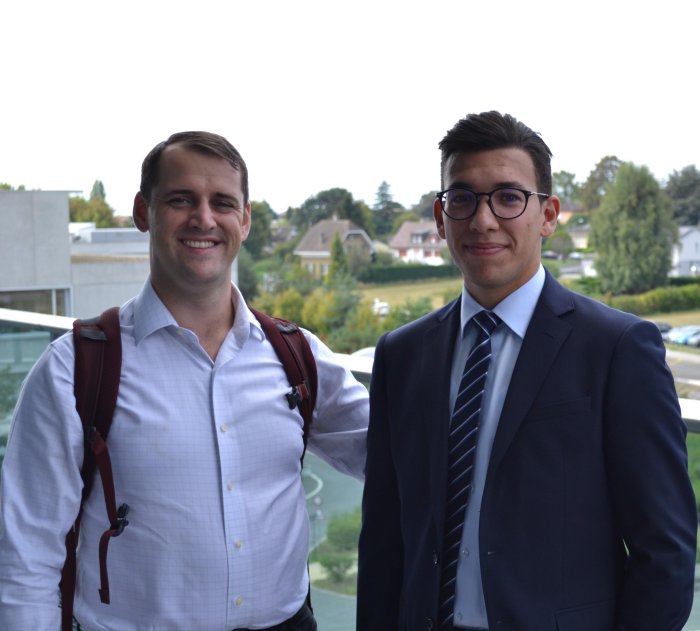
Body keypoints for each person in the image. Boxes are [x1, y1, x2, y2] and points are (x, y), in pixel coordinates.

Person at [0, 131, 369, 630]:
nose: (204, 218)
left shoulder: (295, 355)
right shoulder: (74, 370)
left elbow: (397, 451)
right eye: (180, 200)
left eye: (222, 202)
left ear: (245, 219)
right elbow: (26, 555)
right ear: (141, 212)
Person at [357, 111, 697, 630]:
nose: (483, 219)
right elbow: (383, 539)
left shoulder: (617, 349)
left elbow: (665, 551)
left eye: (509, 197)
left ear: (549, 214)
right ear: (441, 215)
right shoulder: (401, 354)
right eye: (463, 197)